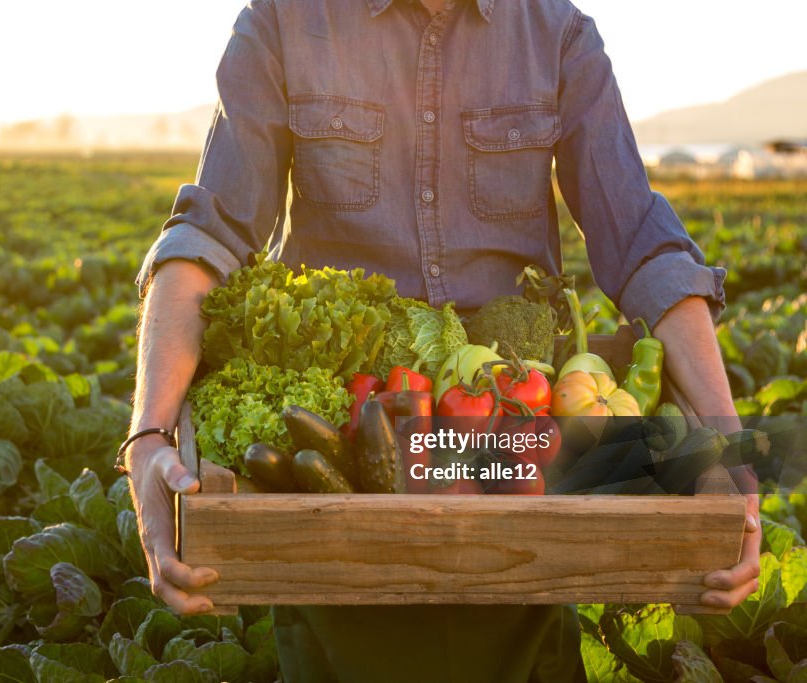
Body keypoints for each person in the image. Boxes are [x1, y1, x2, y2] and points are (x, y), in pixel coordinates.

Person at [121, 0, 762, 680]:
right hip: (340, 455)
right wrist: (148, 435)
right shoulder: (284, 21)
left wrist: (725, 446)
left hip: (515, 460)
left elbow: (644, 248)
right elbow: (207, 235)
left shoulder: (558, 34)